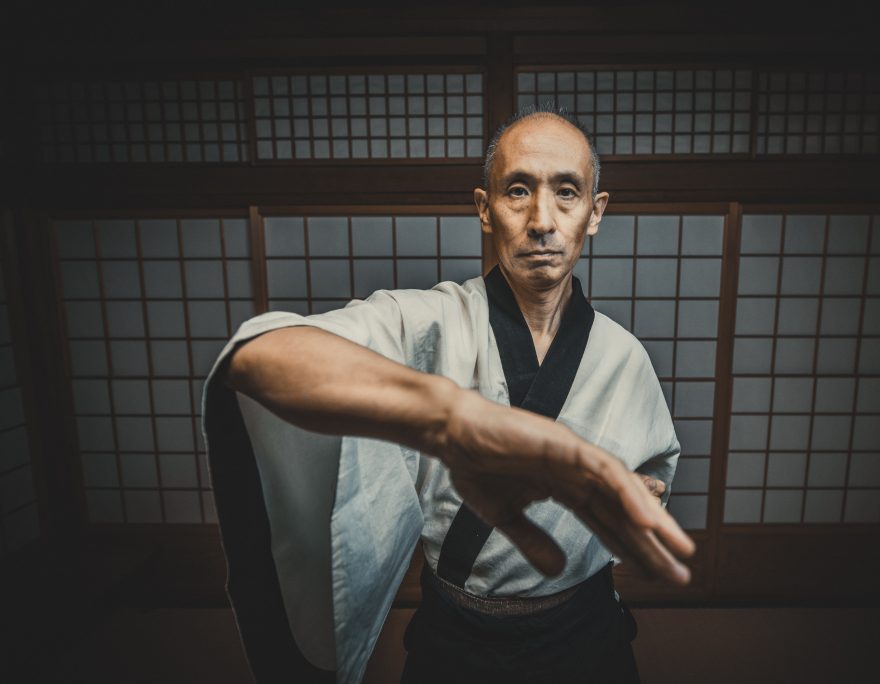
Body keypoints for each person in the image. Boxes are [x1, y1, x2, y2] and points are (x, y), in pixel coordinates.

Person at [202, 105, 695, 683]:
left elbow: (650, 479)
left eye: (567, 192)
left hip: (584, 631)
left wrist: (628, 500)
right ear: (485, 209)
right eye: (518, 191)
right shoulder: (428, 322)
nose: (542, 219)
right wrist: (446, 414)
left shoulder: (623, 355)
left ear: (595, 212)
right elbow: (261, 356)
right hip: (459, 638)